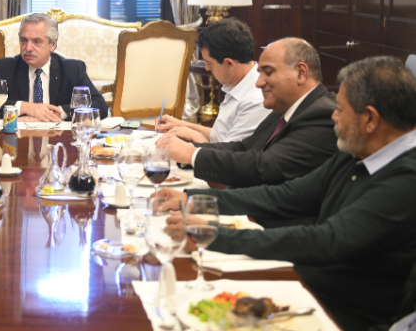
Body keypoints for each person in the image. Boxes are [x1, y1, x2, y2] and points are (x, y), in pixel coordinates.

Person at [156, 56, 416, 331]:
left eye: (340, 109)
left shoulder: (406, 180)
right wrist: (196, 201)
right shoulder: (358, 150)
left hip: (340, 312)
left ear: (371, 119)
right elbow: (287, 195)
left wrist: (216, 235)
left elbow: (327, 240)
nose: (333, 116)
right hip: (305, 282)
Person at [157, 38, 338, 188]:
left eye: (268, 73)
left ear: (301, 73)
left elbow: (265, 166)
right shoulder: (286, 107)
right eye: (259, 74)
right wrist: (187, 150)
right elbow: (242, 147)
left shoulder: (322, 115)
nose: (258, 83)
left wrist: (192, 155)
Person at [0, 13, 108, 121]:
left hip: (58, 145)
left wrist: (56, 113)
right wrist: (25, 107)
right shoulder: (5, 68)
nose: (28, 48)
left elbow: (99, 106)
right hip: (18, 144)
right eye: (24, 40)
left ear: (52, 44)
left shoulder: (73, 69)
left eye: (37, 41)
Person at [155, 18, 269, 143]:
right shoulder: (238, 84)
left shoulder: (256, 101)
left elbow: (230, 158)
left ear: (229, 63)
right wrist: (181, 125)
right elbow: (220, 137)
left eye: (209, 63)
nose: (206, 68)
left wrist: (194, 136)